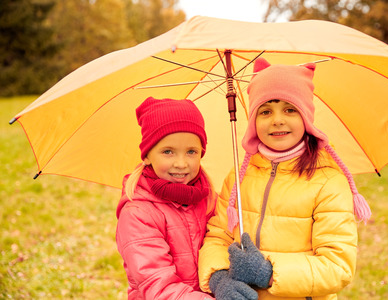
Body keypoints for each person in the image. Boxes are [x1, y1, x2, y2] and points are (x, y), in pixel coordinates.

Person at [198, 58, 371, 300]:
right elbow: (218, 235)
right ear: (253, 121)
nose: (277, 119)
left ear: (306, 118)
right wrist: (219, 277)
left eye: (290, 109)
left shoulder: (328, 182)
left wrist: (267, 273)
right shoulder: (238, 178)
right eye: (265, 111)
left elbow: (337, 267)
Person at [116, 97, 217, 299]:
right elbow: (157, 285)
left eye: (191, 151)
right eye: (168, 152)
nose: (181, 163)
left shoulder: (210, 200)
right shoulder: (138, 214)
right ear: (147, 155)